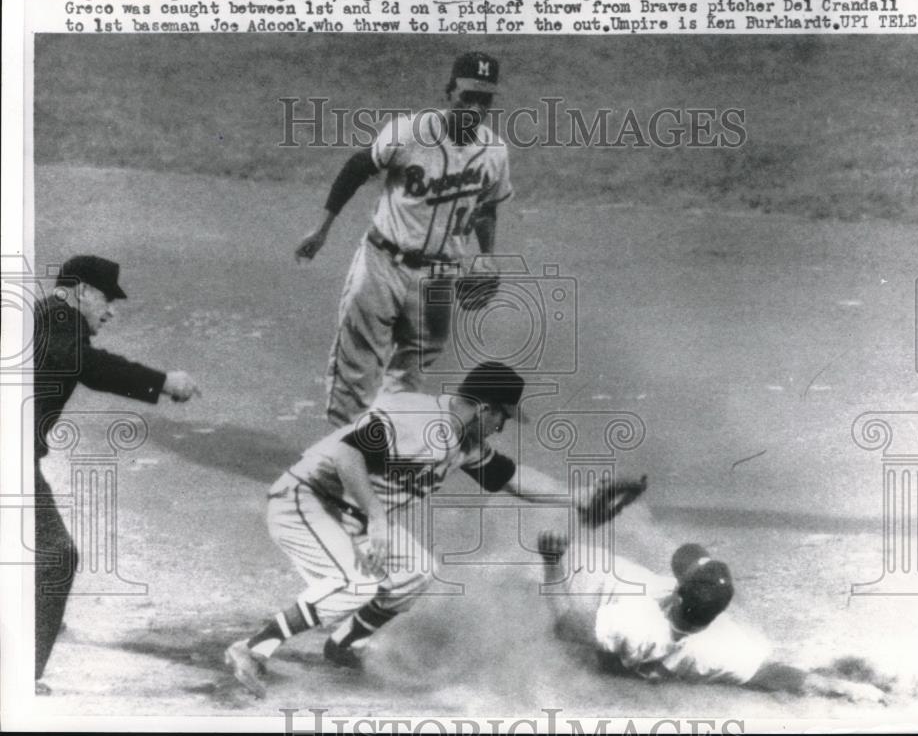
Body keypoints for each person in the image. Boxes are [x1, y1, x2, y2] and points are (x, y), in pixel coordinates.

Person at [225, 361, 561, 698]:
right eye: (502, 416)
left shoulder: (463, 443)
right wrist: (377, 517)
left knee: (416, 571)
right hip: (308, 499)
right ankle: (253, 648)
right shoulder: (416, 418)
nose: (501, 426)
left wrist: (578, 497)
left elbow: (513, 478)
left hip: (351, 516)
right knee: (356, 584)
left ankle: (345, 643)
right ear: (485, 409)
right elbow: (347, 453)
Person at [294, 51, 513, 426]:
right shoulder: (410, 131)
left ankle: (381, 454)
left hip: (440, 277)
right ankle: (341, 456)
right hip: (382, 262)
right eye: (467, 97)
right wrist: (323, 229)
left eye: (484, 100)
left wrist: (488, 255)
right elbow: (358, 167)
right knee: (357, 366)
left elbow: (487, 208)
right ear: (449, 92)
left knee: (413, 371)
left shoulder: (494, 151)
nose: (474, 107)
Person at [32, 255, 200, 693]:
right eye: (107, 298)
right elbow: (93, 367)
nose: (111, 311)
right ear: (83, 290)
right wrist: (163, 381)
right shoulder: (58, 321)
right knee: (57, 558)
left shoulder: (46, 318)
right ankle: (18, 676)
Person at [536, 531, 894, 704]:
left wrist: (551, 562)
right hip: (655, 651)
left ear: (677, 590)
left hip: (608, 642)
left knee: (541, 593)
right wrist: (843, 687)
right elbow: (774, 674)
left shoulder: (635, 621)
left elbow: (565, 625)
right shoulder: (725, 648)